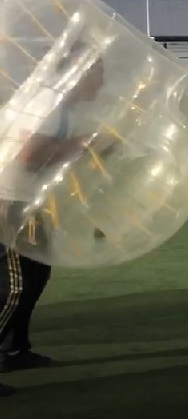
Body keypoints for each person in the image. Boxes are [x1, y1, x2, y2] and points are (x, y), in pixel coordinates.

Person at [0, 44, 107, 396]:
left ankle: (14, 350)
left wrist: (92, 147)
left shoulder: (63, 107)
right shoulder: (48, 105)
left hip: (26, 200)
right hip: (6, 200)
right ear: (79, 72)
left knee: (38, 271)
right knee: (15, 286)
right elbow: (30, 154)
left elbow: (55, 156)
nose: (103, 81)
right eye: (98, 72)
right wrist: (83, 145)